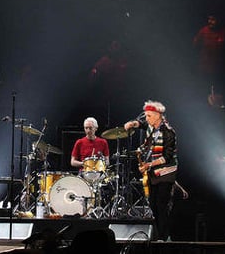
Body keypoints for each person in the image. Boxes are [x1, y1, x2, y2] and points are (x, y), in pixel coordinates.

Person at [123, 100, 177, 241]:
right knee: (153, 204)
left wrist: (148, 165)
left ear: (158, 115)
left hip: (166, 172)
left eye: (149, 116)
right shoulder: (151, 127)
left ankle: (165, 236)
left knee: (161, 204)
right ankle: (160, 235)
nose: (146, 119)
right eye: (146, 116)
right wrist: (132, 124)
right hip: (154, 172)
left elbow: (167, 157)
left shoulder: (168, 132)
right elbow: (140, 123)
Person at [70, 117, 110, 182]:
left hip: (99, 173)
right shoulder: (79, 142)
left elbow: (107, 162)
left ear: (96, 128)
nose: (88, 130)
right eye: (86, 128)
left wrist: (100, 164)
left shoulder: (103, 142)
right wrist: (84, 163)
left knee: (107, 181)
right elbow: (72, 162)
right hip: (83, 173)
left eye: (90, 128)